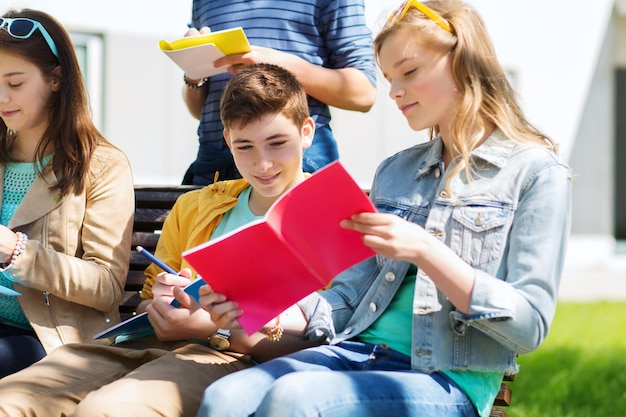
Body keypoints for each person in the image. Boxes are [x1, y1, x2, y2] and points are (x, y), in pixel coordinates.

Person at [196, 1, 573, 417]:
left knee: (293, 399)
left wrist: (426, 251)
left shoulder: (536, 172)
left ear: (463, 61)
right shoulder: (396, 171)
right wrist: (269, 311)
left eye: (409, 72)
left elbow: (530, 327)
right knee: (223, 397)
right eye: (391, 78)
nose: (394, 91)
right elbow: (346, 297)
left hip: (445, 379)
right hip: (355, 353)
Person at [0, 63, 325, 417]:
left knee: (107, 410)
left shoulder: (328, 213)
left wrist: (213, 326)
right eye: (245, 146)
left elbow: (330, 336)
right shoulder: (196, 206)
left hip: (229, 358)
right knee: (10, 399)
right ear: (228, 140)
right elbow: (144, 306)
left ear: (306, 132)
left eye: (277, 144)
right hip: (145, 345)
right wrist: (161, 304)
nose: (262, 164)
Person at [0, 8, 134, 378]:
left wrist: (17, 252)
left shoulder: (102, 164)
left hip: (52, 340)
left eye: (14, 84)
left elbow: (106, 286)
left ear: (56, 79)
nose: (2, 98)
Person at [181, 0, 377, 185]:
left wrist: (280, 65)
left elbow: (363, 93)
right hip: (213, 167)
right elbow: (200, 111)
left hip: (299, 162)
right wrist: (194, 75)